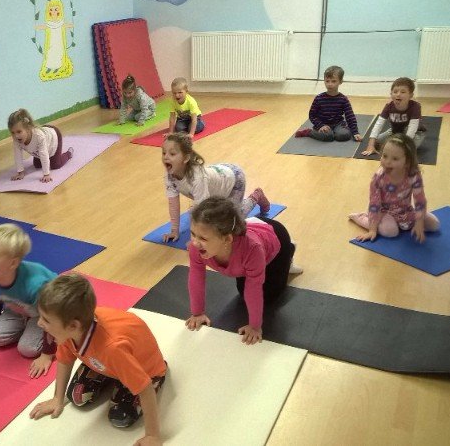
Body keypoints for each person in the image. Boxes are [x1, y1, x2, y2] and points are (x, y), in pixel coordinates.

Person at [30, 274, 167, 445]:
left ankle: (142, 379)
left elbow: (145, 388)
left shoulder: (112, 348)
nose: (39, 323)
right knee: (77, 397)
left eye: (46, 320)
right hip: (108, 362)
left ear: (73, 326)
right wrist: (57, 398)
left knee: (120, 417)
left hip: (147, 371)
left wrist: (152, 435)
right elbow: (65, 360)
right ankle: (113, 375)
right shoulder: (69, 333)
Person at [185, 197, 302, 345]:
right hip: (248, 236)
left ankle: (289, 252)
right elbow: (196, 278)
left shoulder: (252, 250)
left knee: (269, 297)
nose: (195, 242)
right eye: (193, 234)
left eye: (203, 238)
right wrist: (197, 313)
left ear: (227, 239)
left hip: (276, 238)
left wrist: (255, 326)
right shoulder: (196, 248)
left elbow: (254, 289)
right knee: (243, 293)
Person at [0, 223, 57, 379]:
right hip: (18, 308)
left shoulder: (35, 285)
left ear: (13, 263)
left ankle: (30, 326)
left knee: (27, 349)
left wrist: (47, 354)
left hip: (45, 313)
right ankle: (25, 324)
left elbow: (52, 315)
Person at [161, 133, 269, 242]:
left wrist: (196, 239)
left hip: (234, 180)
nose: (165, 157)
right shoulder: (169, 176)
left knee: (233, 224)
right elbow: (173, 204)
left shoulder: (197, 178)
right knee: (209, 215)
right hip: (218, 179)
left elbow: (201, 209)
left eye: (172, 154)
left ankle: (256, 196)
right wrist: (174, 231)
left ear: (186, 158)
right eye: (164, 153)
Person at [350, 133, 440, 243]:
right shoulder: (378, 178)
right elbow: (374, 204)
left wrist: (419, 222)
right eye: (385, 156)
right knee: (391, 232)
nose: (387, 162)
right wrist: (372, 230)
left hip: (405, 211)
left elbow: (420, 200)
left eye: (395, 159)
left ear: (407, 162)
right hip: (384, 212)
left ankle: (404, 224)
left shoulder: (413, 175)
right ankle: (361, 217)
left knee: (434, 224)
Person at [295, 65, 362, 142]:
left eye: (333, 81)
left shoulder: (343, 99)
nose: (330, 84)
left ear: (340, 82)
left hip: (338, 124)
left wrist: (355, 132)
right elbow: (312, 115)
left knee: (344, 135)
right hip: (323, 124)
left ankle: (337, 132)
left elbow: (350, 116)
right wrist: (320, 125)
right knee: (328, 137)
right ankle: (309, 132)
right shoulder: (319, 98)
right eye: (327, 81)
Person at [362, 77, 426, 156]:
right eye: (395, 92)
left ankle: (398, 144)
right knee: (376, 141)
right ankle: (396, 142)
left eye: (403, 92)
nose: (398, 94)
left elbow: (412, 129)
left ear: (410, 95)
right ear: (391, 94)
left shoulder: (415, 107)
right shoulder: (389, 106)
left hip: (415, 133)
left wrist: (403, 146)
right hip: (395, 131)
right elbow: (379, 124)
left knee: (410, 148)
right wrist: (370, 145)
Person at [9, 109, 73, 183]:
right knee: (37, 165)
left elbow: (44, 154)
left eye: (19, 132)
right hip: (43, 134)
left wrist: (46, 174)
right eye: (13, 133)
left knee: (56, 165)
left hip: (54, 136)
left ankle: (69, 153)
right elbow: (18, 155)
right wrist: (20, 172)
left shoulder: (39, 136)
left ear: (28, 128)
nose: (16, 136)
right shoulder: (17, 139)